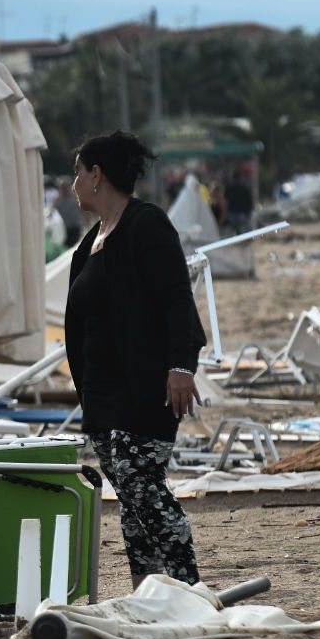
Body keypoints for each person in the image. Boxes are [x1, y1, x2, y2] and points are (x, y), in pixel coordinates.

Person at [64, 130, 206, 589]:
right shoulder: (89, 244)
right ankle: (147, 589)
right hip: (102, 394)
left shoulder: (147, 224)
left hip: (148, 386)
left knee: (142, 485)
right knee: (129, 494)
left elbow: (177, 300)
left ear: (97, 175)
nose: (73, 185)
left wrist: (181, 366)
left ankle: (187, 585)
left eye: (77, 173)